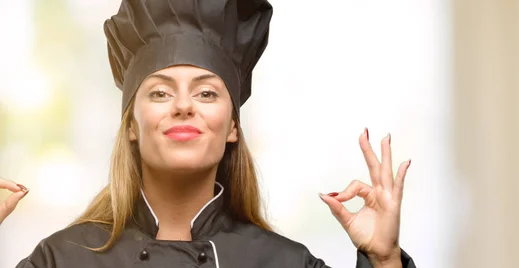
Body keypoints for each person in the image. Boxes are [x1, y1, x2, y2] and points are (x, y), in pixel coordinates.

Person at [0, 0, 416, 267]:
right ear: (131, 125)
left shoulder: (284, 263)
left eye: (206, 91)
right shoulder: (62, 259)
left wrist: (384, 260)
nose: (184, 105)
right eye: (161, 91)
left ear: (233, 126)